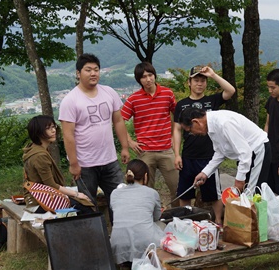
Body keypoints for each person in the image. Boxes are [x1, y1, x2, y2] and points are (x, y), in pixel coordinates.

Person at [58, 53, 130, 222]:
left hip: (109, 160)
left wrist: (125, 147)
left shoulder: (109, 92)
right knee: (87, 205)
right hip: (84, 164)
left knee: (120, 201)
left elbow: (118, 121)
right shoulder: (70, 100)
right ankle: (92, 241)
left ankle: (121, 238)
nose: (93, 73)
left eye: (96, 69)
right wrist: (74, 163)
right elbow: (68, 136)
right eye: (88, 70)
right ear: (78, 73)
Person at [172, 65, 235, 225]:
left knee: (214, 194)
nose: (199, 84)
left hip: (210, 156)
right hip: (188, 156)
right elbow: (177, 130)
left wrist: (213, 75)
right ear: (189, 83)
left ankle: (218, 222)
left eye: (202, 81)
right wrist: (177, 154)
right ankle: (185, 223)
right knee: (185, 193)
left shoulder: (211, 100)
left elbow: (230, 91)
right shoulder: (181, 105)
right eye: (196, 80)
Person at [121, 62, 179, 204]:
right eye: (143, 77)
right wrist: (130, 142)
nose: (148, 79)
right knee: (145, 191)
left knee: (177, 188)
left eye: (150, 75)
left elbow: (176, 114)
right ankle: (150, 218)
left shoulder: (167, 93)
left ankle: (178, 217)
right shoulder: (134, 99)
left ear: (154, 75)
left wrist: (173, 136)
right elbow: (119, 120)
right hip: (145, 151)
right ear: (139, 80)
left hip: (166, 149)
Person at [179, 108, 270, 194]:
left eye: (190, 130)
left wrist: (239, 179)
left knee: (253, 192)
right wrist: (205, 173)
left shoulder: (224, 123)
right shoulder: (211, 126)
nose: (192, 134)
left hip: (257, 149)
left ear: (196, 122)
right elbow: (220, 152)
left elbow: (245, 152)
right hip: (246, 155)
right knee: (246, 194)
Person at [22, 115, 94, 213]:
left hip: (40, 198)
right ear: (38, 132)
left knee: (83, 204)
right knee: (86, 208)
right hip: (40, 202)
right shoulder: (40, 156)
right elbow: (51, 185)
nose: (53, 131)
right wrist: (76, 194)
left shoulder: (35, 148)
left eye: (53, 127)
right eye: (48, 128)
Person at [109, 159, 165, 268]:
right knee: (161, 226)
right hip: (147, 244)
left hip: (118, 245)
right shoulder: (152, 193)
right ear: (145, 176)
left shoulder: (114, 193)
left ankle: (125, 261)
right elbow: (156, 217)